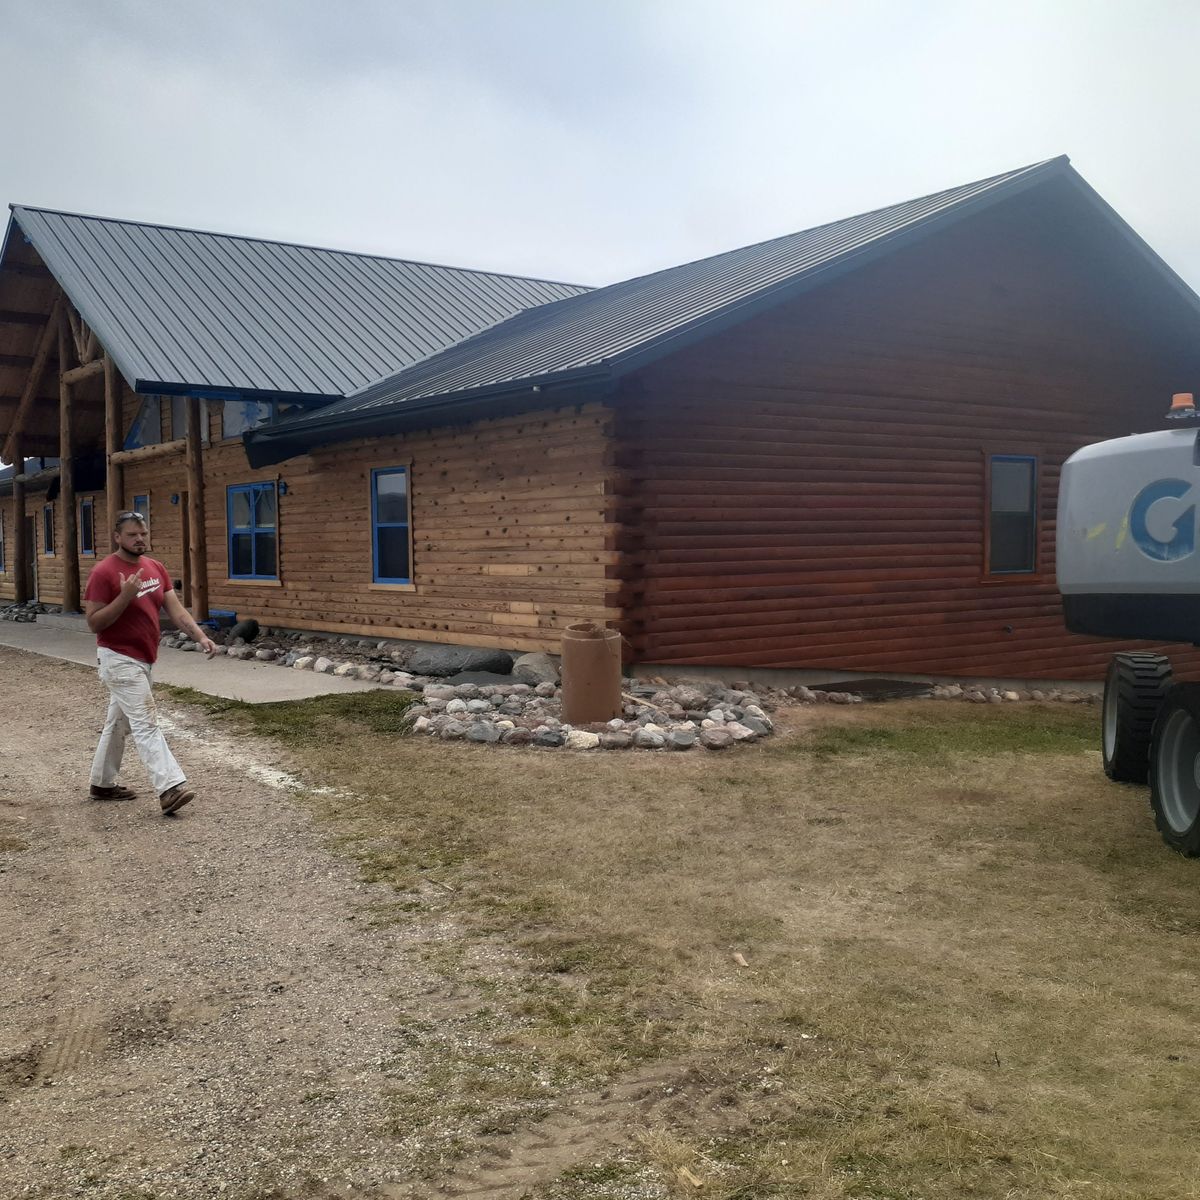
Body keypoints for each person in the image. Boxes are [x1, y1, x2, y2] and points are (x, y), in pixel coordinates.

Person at [83, 510, 215, 815]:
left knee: (118, 724)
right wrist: (125, 596)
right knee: (146, 721)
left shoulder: (155, 568)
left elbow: (176, 610)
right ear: (117, 537)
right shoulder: (104, 572)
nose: (140, 539)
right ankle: (169, 788)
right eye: (132, 534)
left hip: (145, 659)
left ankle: (102, 783)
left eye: (143, 533)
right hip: (118, 659)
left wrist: (200, 637)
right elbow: (94, 623)